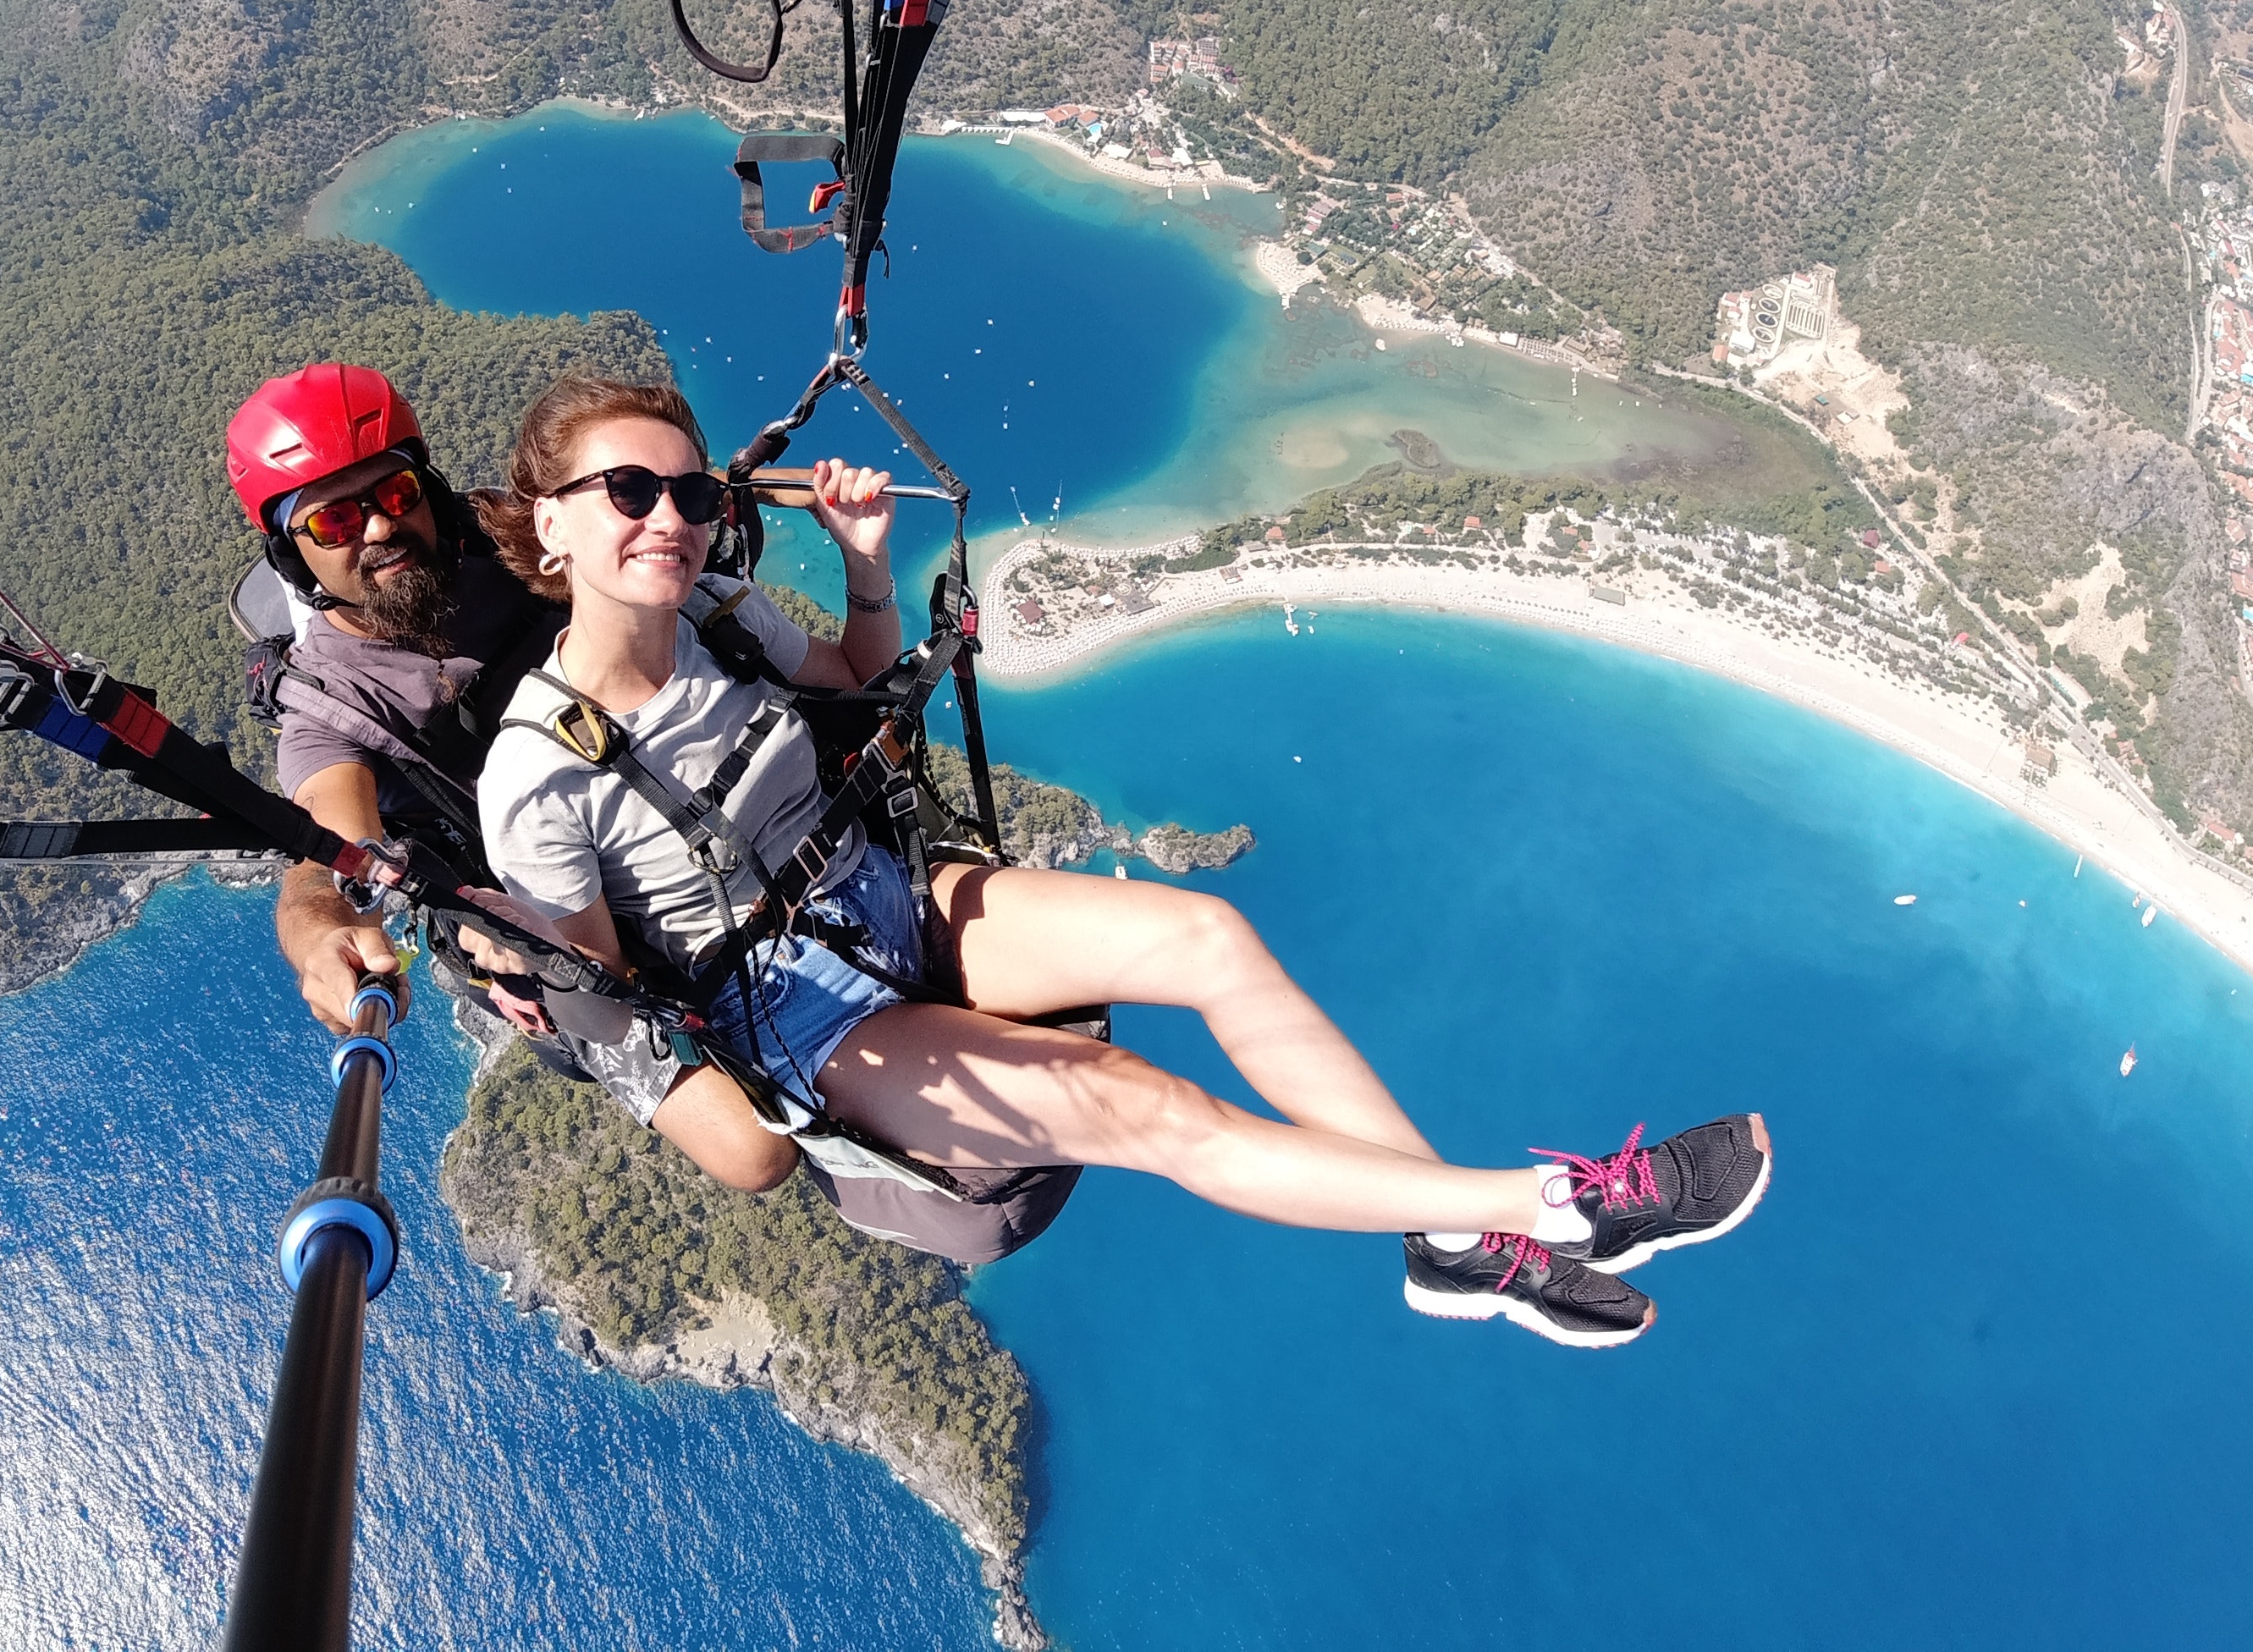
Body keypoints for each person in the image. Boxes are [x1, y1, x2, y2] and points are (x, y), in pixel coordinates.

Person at [471, 373, 1771, 1346]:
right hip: (796, 1017)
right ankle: (1548, 1208)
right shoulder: (537, 776)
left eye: (693, 493)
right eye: (630, 494)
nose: (674, 519)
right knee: (1146, 1106)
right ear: (553, 530)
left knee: (1206, 938)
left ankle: (1448, 1241)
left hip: (881, 894)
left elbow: (865, 685)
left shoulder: (718, 610)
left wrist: (867, 570)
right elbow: (622, 996)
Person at [225, 362, 798, 1193]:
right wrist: (319, 931)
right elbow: (324, 847)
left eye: (391, 497)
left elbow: (649, 502)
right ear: (292, 552)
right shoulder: (330, 700)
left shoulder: (515, 535)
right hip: (562, 919)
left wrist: (773, 491)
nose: (378, 531)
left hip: (693, 794)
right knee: (755, 1152)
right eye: (334, 518)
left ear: (425, 489)